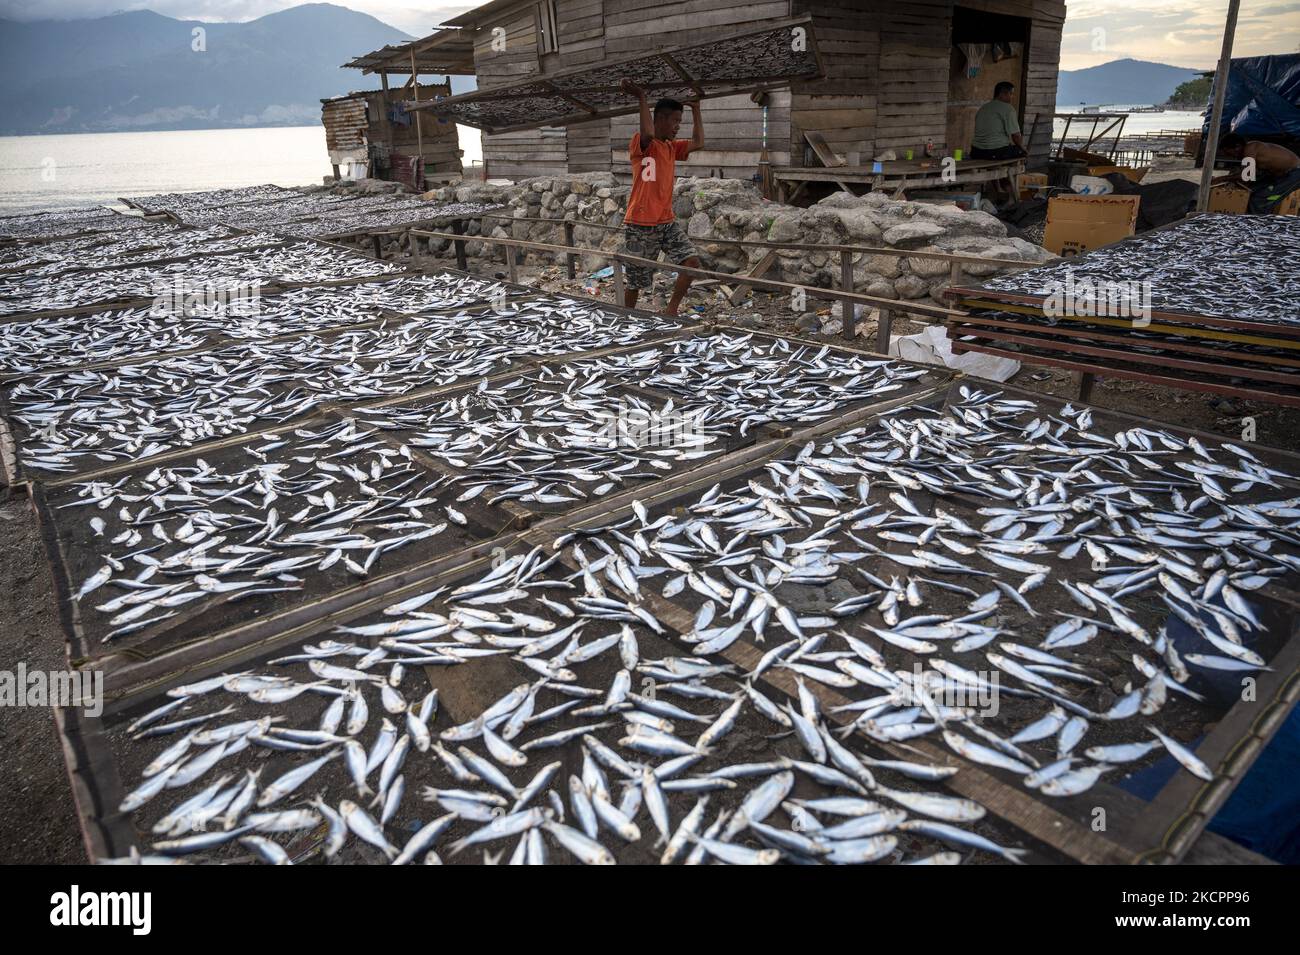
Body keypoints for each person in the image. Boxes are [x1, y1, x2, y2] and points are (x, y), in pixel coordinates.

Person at [619, 79, 705, 316]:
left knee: (691, 262)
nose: (678, 126)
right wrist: (642, 97)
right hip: (639, 223)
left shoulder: (671, 147)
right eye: (675, 121)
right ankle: (627, 317)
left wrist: (696, 109)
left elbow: (699, 142)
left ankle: (671, 311)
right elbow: (648, 131)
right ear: (660, 119)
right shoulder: (642, 143)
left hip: (665, 222)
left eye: (680, 121)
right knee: (637, 281)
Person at [1216, 133, 1300, 213]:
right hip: (1280, 174)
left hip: (1294, 174)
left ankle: (1259, 224)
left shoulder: (1250, 149)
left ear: (1237, 147)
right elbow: (1249, 179)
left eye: (1228, 152)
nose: (1229, 156)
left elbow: (1247, 176)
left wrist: (1221, 179)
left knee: (1259, 200)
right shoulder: (1250, 151)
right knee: (1252, 191)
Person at [970, 81, 1026, 160]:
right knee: (1021, 152)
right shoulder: (1008, 108)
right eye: (1010, 94)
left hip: (976, 152)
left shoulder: (983, 108)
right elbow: (1016, 136)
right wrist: (1023, 149)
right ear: (1002, 94)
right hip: (995, 152)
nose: (1012, 97)